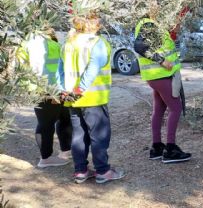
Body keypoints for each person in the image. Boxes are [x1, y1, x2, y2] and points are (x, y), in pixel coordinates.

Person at [60, 13, 125, 184]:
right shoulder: (98, 43)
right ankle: (103, 171)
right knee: (99, 136)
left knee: (78, 135)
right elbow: (93, 68)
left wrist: (62, 91)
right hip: (93, 98)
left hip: (72, 99)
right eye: (98, 19)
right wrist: (80, 89)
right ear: (94, 23)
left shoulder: (68, 43)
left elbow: (59, 70)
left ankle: (80, 171)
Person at [134, 2, 191, 164]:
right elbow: (139, 46)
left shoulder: (150, 24)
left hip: (155, 76)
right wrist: (162, 61)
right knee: (176, 108)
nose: (159, 6)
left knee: (159, 109)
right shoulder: (148, 24)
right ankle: (170, 149)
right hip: (161, 74)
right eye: (155, 4)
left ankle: (157, 147)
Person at [17, 28, 72, 168]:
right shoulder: (52, 45)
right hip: (53, 90)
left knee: (55, 121)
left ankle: (63, 152)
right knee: (54, 123)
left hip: (37, 90)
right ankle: (47, 158)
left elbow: (19, 68)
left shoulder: (25, 44)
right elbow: (59, 68)